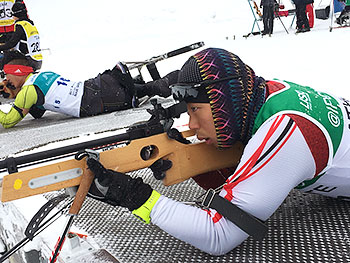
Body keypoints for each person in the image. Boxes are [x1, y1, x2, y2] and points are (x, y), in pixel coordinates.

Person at [84, 47, 350, 255]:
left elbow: (219, 234)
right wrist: (185, 157)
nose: (191, 125)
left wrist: (137, 199)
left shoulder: (287, 132)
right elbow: (242, 175)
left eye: (195, 110)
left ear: (223, 102)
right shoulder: (263, 95)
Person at [0, 59, 179, 128]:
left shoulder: (28, 92)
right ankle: (181, 77)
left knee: (154, 89)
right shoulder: (41, 76)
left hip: (94, 100)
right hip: (97, 86)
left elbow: (8, 122)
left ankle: (179, 80)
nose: (6, 82)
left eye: (7, 77)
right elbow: (38, 111)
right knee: (152, 88)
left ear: (17, 73)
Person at [0, 2, 42, 71]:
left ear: (17, 14)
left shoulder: (20, 25)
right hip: (38, 60)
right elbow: (17, 36)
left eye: (13, 14)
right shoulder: (30, 24)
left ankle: (3, 73)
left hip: (29, 61)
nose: (12, 18)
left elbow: (12, 43)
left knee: (9, 55)